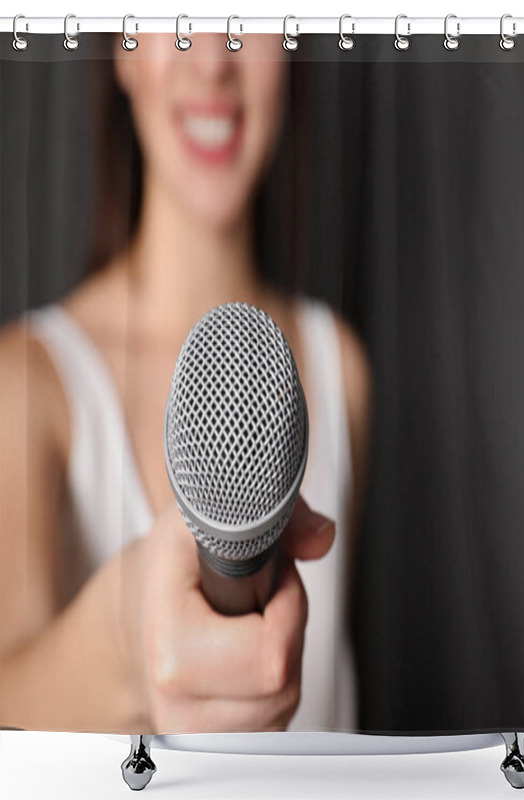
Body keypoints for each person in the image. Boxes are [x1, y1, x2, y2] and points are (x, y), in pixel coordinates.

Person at [0, 33, 370, 734]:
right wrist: (123, 634)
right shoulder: (25, 384)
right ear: (124, 50)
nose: (211, 62)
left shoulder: (340, 367)